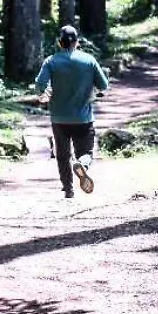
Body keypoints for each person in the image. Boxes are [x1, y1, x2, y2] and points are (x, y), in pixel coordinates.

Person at [35, 25, 110, 199]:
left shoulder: (51, 61)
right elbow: (104, 85)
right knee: (86, 153)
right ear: (77, 42)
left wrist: (45, 94)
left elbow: (40, 84)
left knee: (62, 155)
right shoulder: (89, 60)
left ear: (59, 43)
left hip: (59, 118)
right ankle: (81, 164)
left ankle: (68, 189)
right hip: (83, 118)